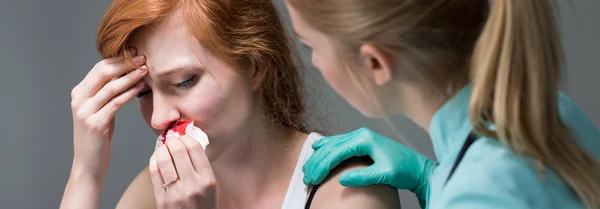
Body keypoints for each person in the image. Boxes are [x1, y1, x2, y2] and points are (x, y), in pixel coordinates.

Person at [59, 0, 401, 209]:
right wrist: (85, 174)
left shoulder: (349, 191)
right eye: (142, 93)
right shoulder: (154, 192)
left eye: (184, 81)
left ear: (254, 65)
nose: (159, 118)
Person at [285, 0, 600, 209]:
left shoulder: (478, 196)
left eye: (310, 46)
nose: (312, 62)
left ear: (375, 63)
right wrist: (430, 179)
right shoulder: (550, 111)